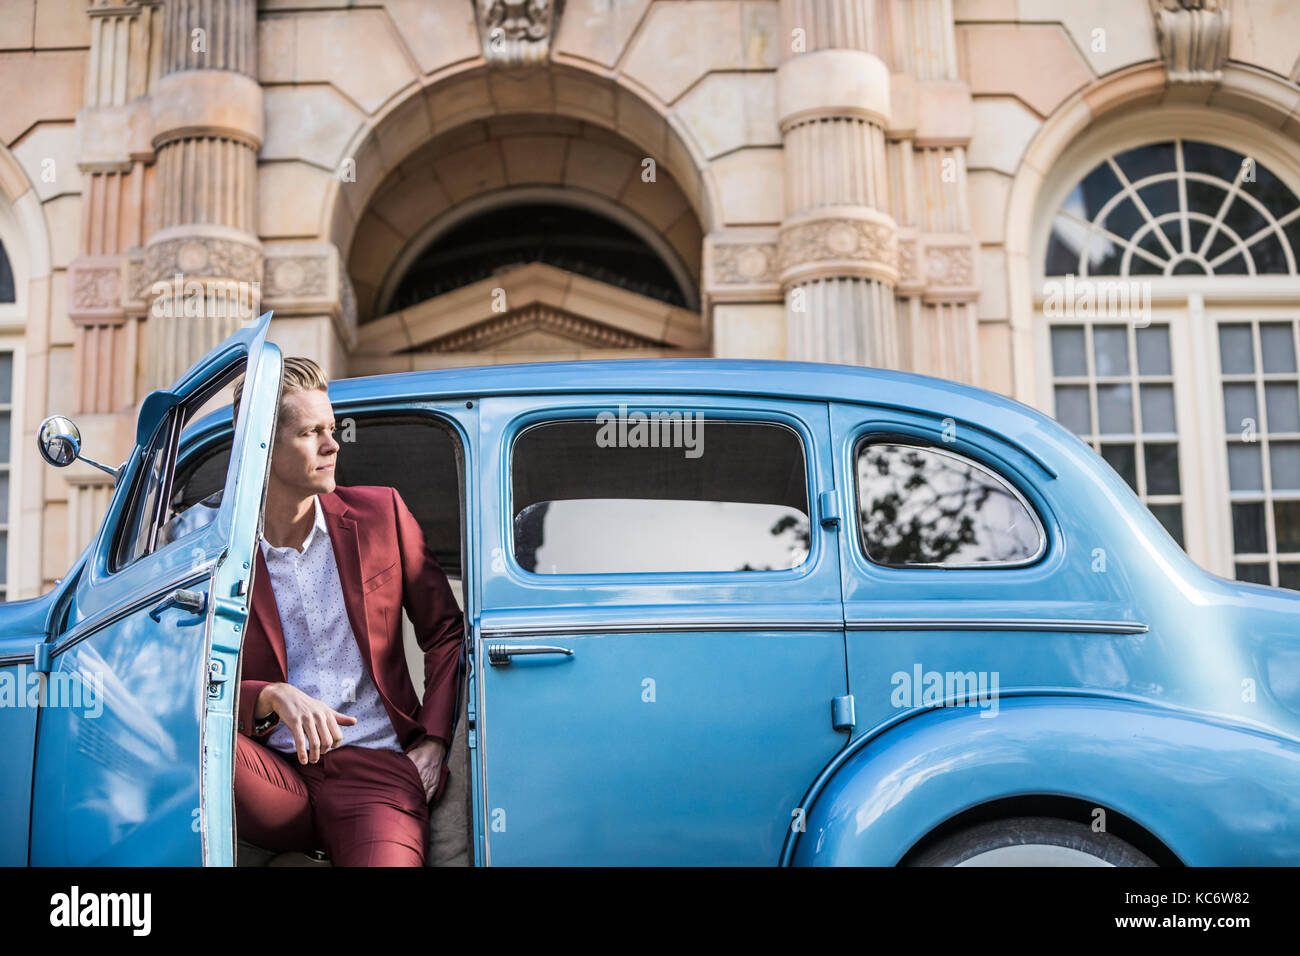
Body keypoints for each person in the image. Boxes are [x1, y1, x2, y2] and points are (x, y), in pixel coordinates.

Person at [232, 356, 464, 866]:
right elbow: (180, 674)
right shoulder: (215, 550)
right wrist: (269, 695)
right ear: (261, 448)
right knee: (195, 741)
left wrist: (432, 741)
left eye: (332, 429)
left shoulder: (381, 514)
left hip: (375, 767)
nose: (333, 445)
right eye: (311, 432)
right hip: (271, 771)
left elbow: (446, 631)